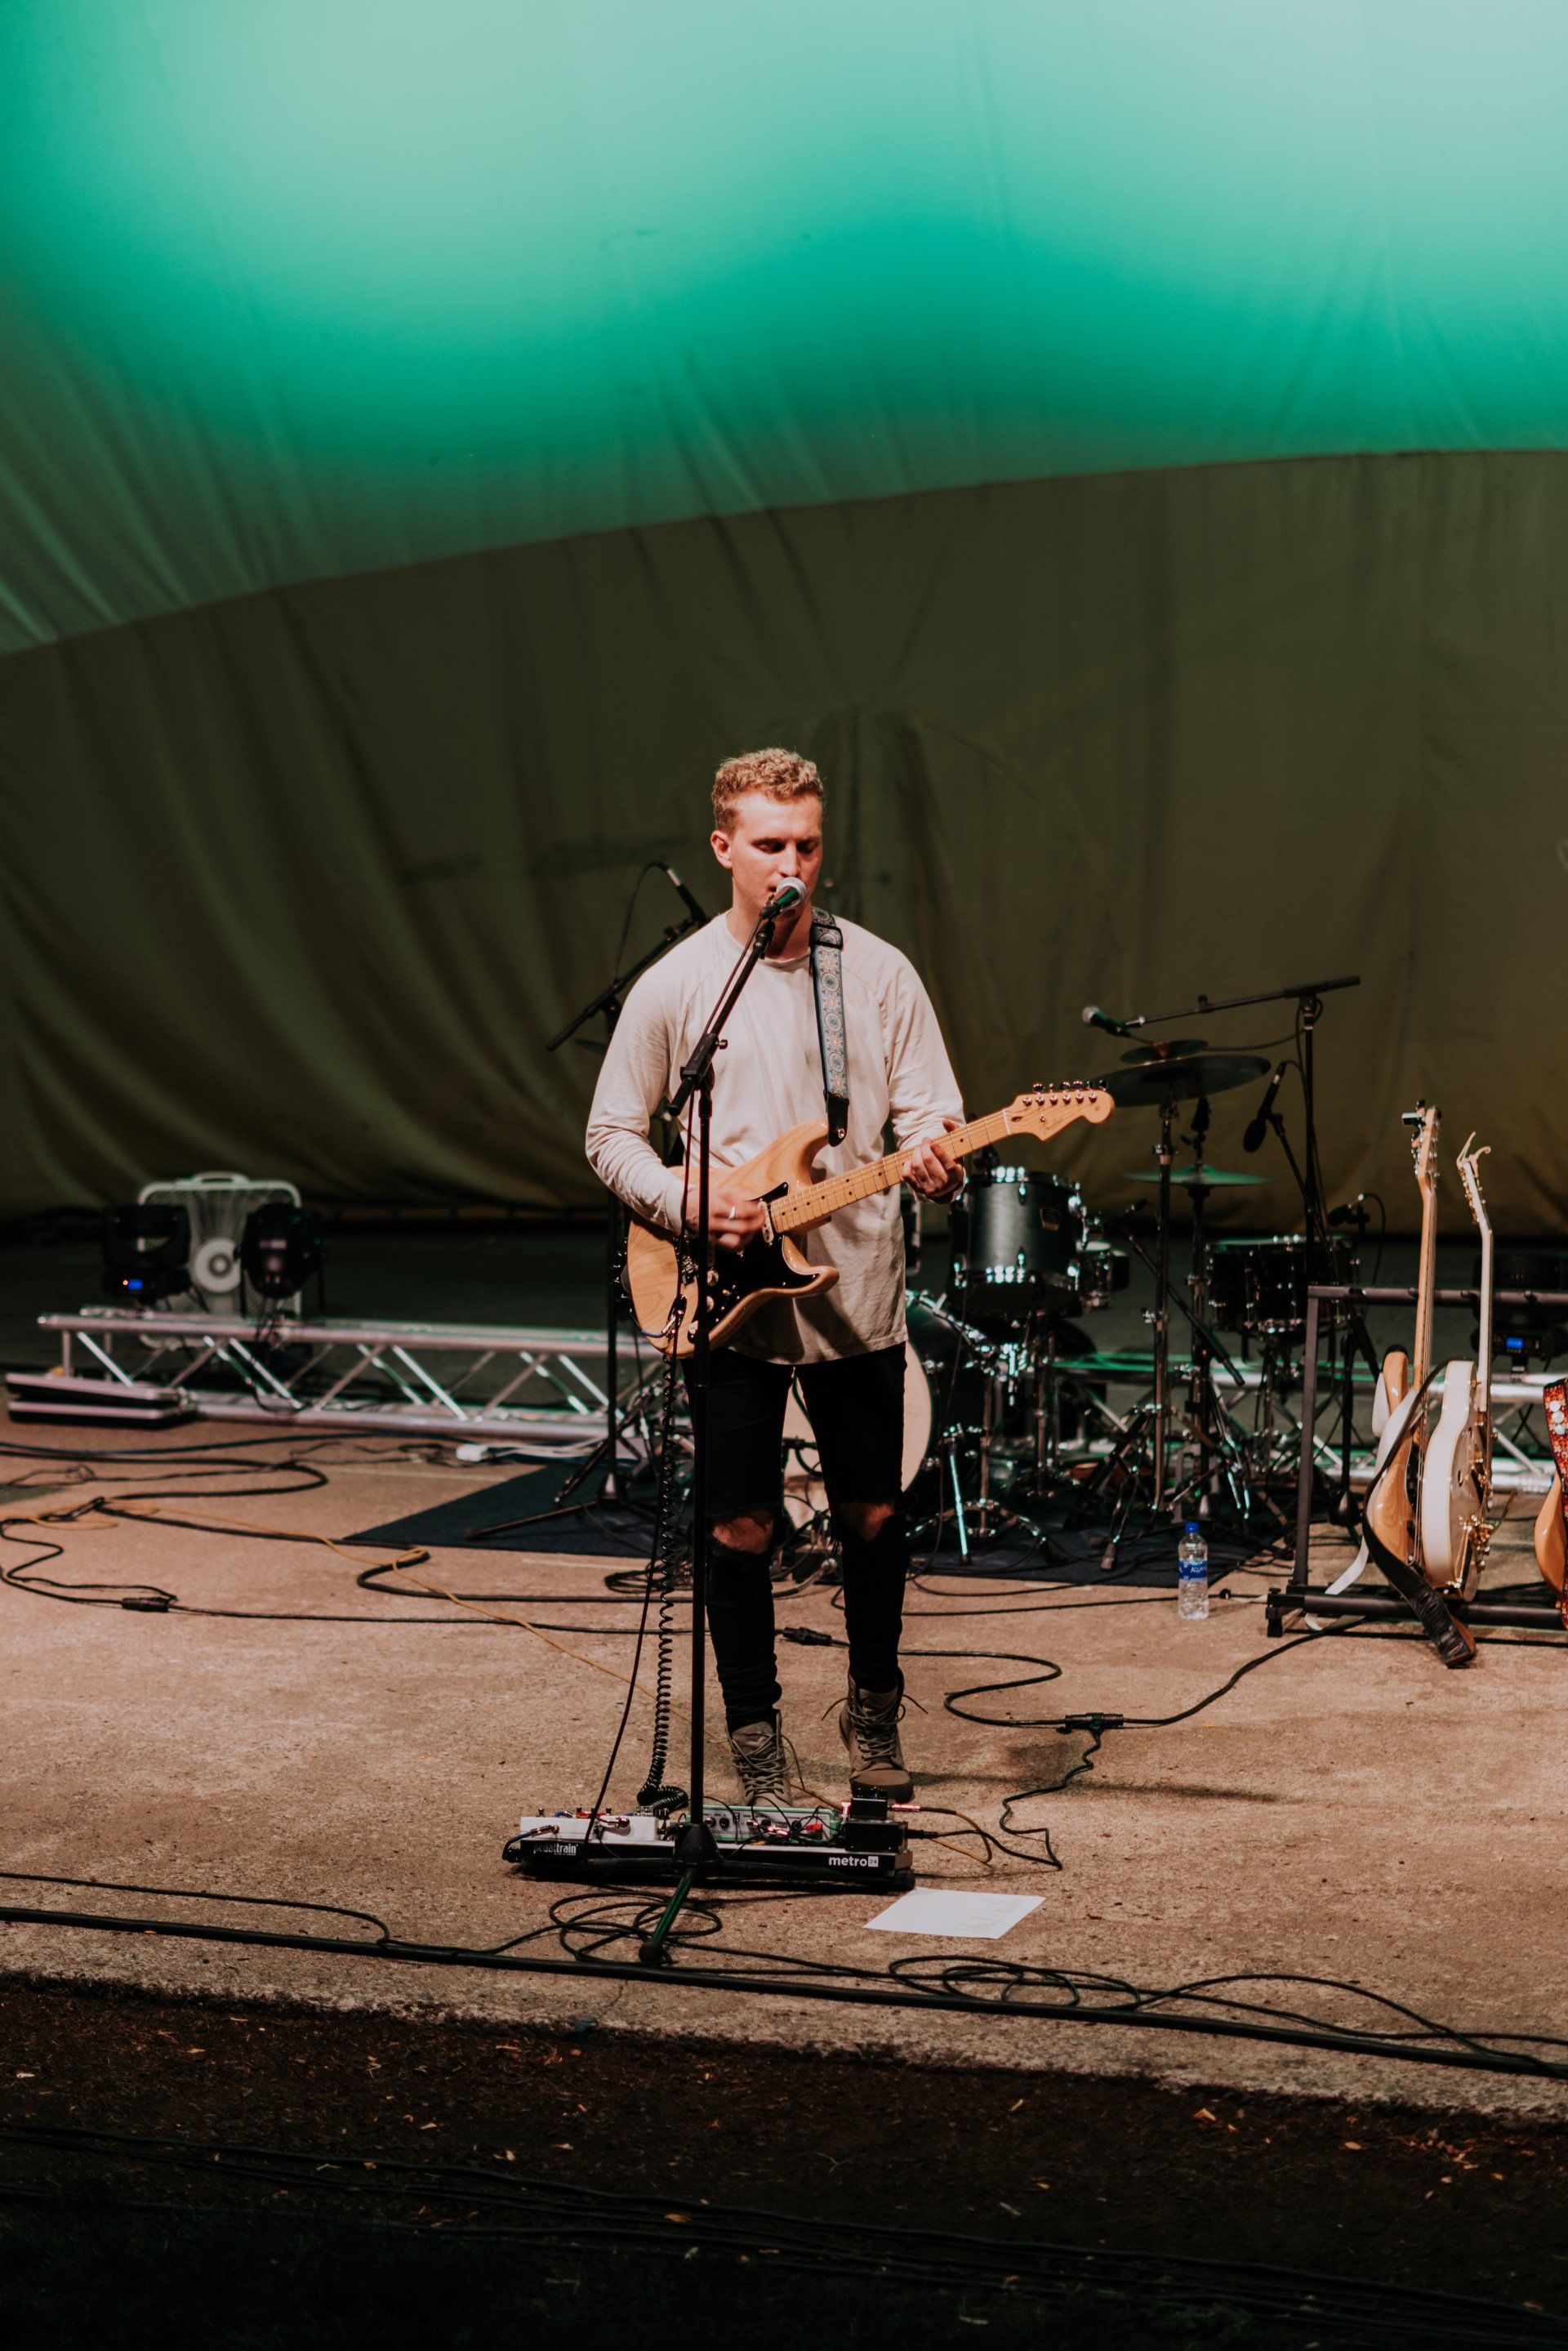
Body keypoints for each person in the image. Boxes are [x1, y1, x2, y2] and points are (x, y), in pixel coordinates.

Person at [586, 748, 964, 1805]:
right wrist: (680, 1202)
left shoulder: (877, 974)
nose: (792, 863)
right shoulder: (683, 985)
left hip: (857, 1294)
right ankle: (752, 1726)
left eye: (807, 843)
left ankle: (875, 1706)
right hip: (726, 1297)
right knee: (740, 1524)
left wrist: (937, 1149)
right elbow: (610, 1133)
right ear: (724, 849)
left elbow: (935, 1108)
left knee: (872, 1516)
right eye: (769, 845)